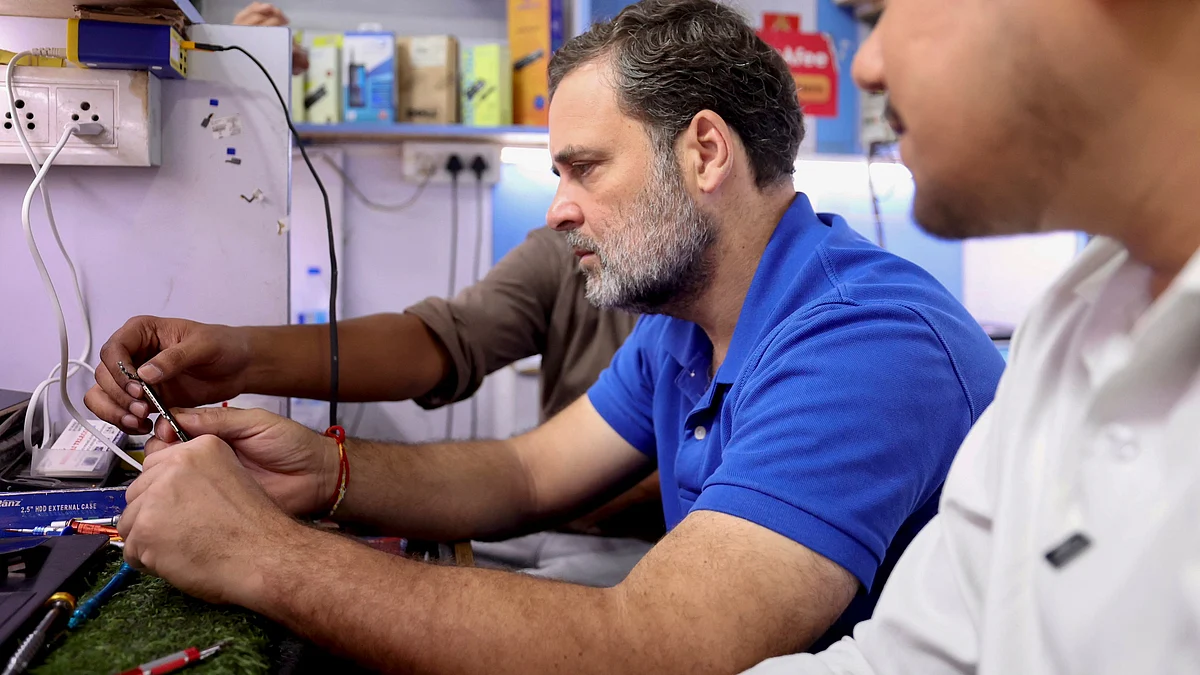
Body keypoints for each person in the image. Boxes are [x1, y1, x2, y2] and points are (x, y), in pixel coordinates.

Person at [92, 1, 1005, 671]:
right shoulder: (681, 327)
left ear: (706, 152)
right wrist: (326, 470)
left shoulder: (861, 342)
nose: (559, 207)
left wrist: (262, 554)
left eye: (585, 168)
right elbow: (526, 473)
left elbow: (659, 648)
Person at [743, 0, 1200, 674]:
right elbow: (901, 661)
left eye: (882, 10)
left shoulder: (873, 330)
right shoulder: (1069, 325)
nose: (867, 67)